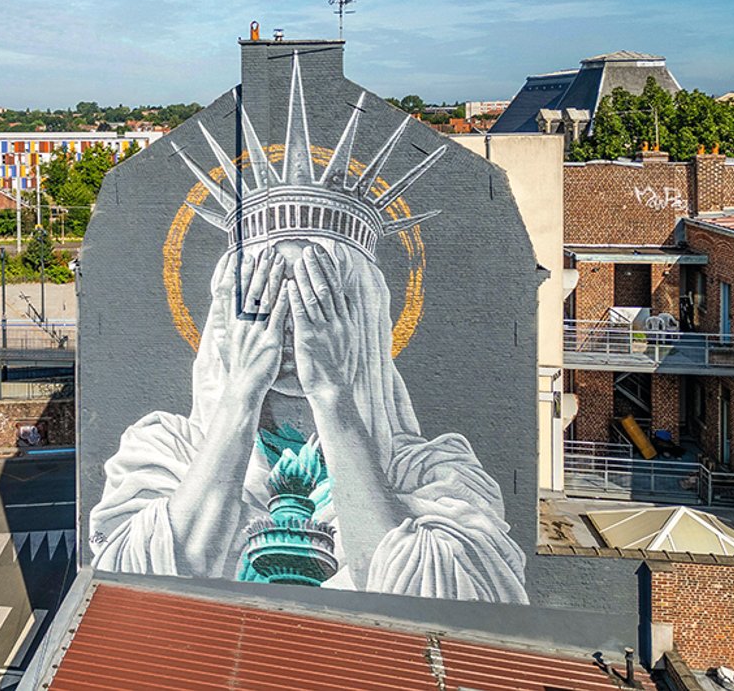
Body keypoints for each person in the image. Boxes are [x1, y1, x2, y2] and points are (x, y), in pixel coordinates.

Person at [88, 61, 529, 604]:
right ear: (226, 319)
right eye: (267, 297)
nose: (292, 327)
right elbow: (137, 590)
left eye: (320, 299)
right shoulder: (162, 452)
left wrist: (335, 398)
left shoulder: (439, 474)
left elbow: (438, 607)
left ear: (364, 320)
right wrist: (241, 393)